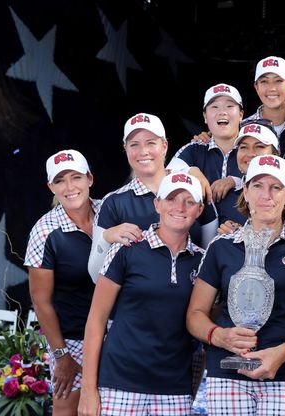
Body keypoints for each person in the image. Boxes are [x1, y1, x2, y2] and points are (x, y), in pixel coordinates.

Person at [186, 154, 285, 416]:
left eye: (275, 187)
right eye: (257, 186)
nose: (266, 195)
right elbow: (195, 314)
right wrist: (219, 336)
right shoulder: (221, 246)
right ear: (245, 191)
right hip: (228, 371)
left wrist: (284, 352)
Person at [77, 170, 207, 416]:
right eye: (171, 199)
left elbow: (201, 335)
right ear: (157, 203)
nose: (179, 207)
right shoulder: (127, 249)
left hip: (174, 391)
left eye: (189, 201)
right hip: (118, 385)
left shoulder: (202, 261)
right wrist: (88, 390)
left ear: (199, 210)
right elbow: (96, 320)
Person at [87, 112, 217, 282]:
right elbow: (95, 276)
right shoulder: (113, 203)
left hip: (189, 301)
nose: (143, 152)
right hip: (135, 302)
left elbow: (211, 262)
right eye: (134, 145)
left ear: (164, 146)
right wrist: (106, 238)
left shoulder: (195, 191)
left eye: (151, 143)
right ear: (125, 148)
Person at [25, 149, 98, 416]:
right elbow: (41, 301)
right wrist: (61, 355)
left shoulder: (110, 213)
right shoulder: (44, 231)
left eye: (76, 177)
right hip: (73, 338)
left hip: (117, 334)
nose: (69, 187)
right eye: (60, 181)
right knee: (68, 409)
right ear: (50, 187)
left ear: (90, 178)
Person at [217, 119, 285, 231]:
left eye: (259, 146)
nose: (250, 154)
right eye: (243, 147)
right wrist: (230, 240)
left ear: (275, 153)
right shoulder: (224, 196)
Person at [168, 83, 244, 203]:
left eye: (229, 106)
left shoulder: (254, 147)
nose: (222, 112)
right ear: (205, 116)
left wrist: (235, 181)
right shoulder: (193, 149)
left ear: (241, 115)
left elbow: (272, 180)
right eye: (215, 107)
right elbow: (166, 175)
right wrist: (191, 171)